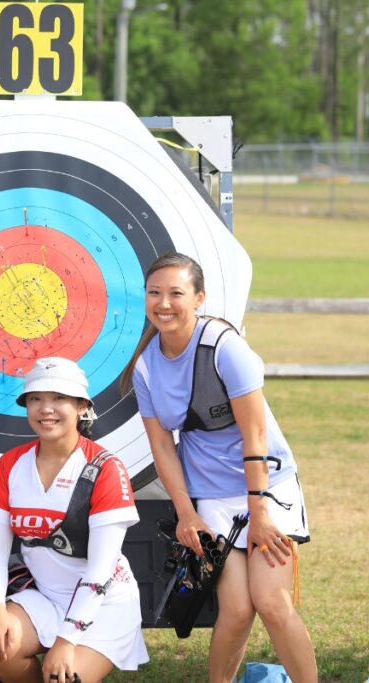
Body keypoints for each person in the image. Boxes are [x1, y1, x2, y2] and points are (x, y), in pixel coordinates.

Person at [121, 252, 317, 683]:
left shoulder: (226, 349)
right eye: (155, 293)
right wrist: (187, 513)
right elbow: (163, 448)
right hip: (211, 498)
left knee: (271, 602)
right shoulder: (146, 366)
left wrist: (260, 511)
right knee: (236, 609)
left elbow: (256, 436)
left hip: (266, 487)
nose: (164, 303)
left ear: (199, 298)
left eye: (176, 293)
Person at [0, 357, 148, 683]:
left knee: (62, 678)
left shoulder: (106, 468)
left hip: (104, 605)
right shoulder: (10, 465)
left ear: (82, 406)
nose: (46, 409)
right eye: (36, 398)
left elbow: (100, 572)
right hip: (45, 598)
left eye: (59, 398)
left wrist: (67, 640)